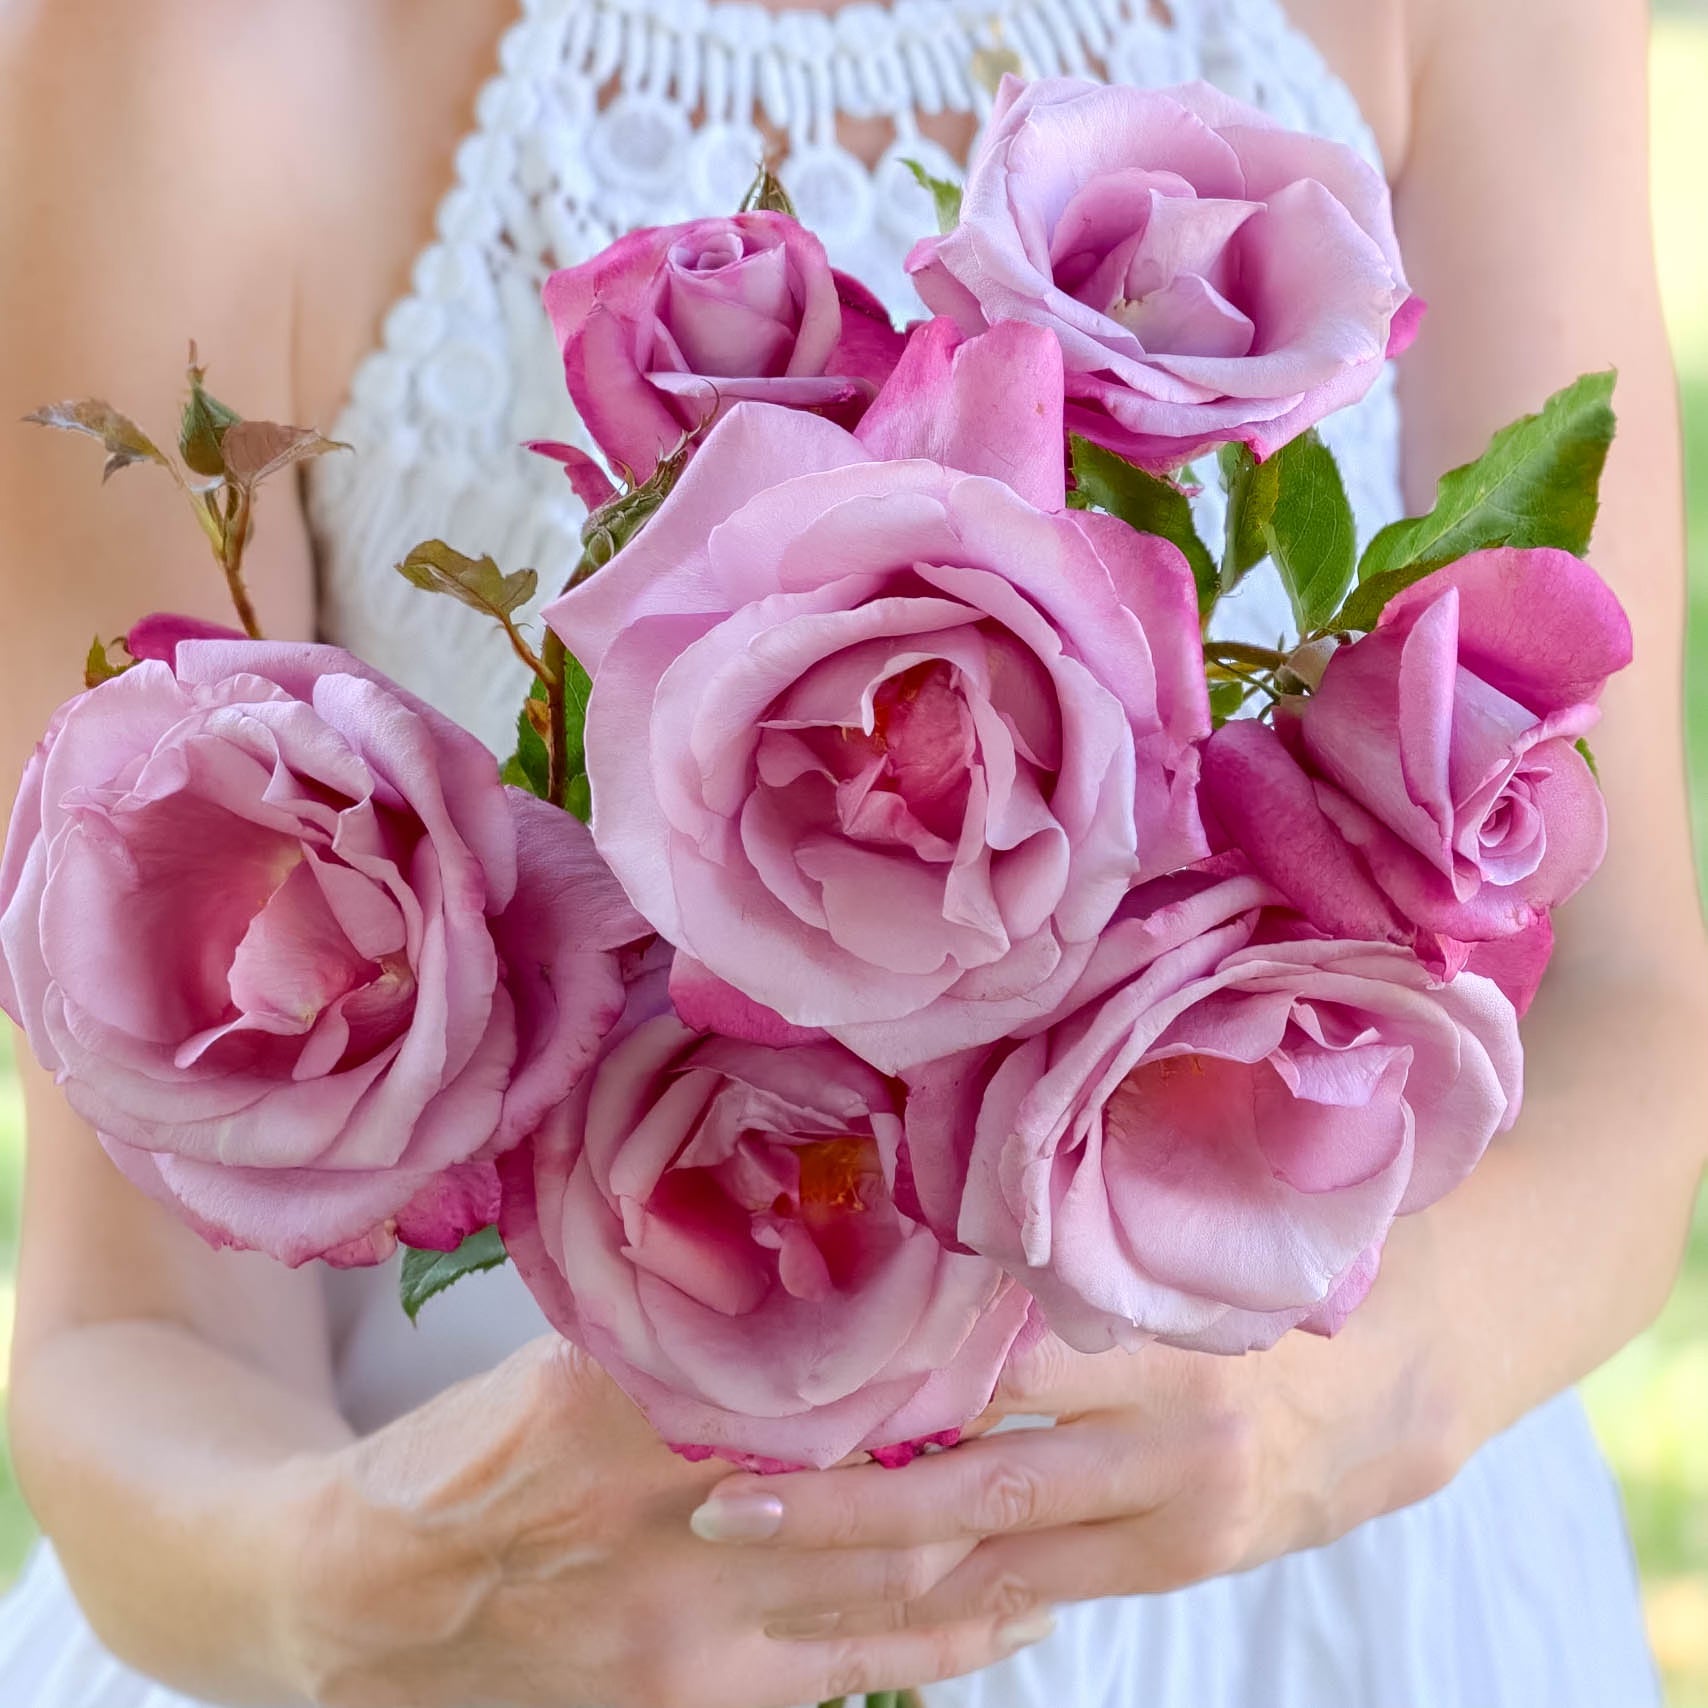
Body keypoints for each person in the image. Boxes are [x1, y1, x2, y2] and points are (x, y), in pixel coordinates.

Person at [0, 0, 1699, 1704]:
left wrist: (1351, 1398)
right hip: (549, 1607)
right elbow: (128, 1332)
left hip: (1322, 1591)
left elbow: (1629, 1012)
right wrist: (356, 1585)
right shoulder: (185, 54)